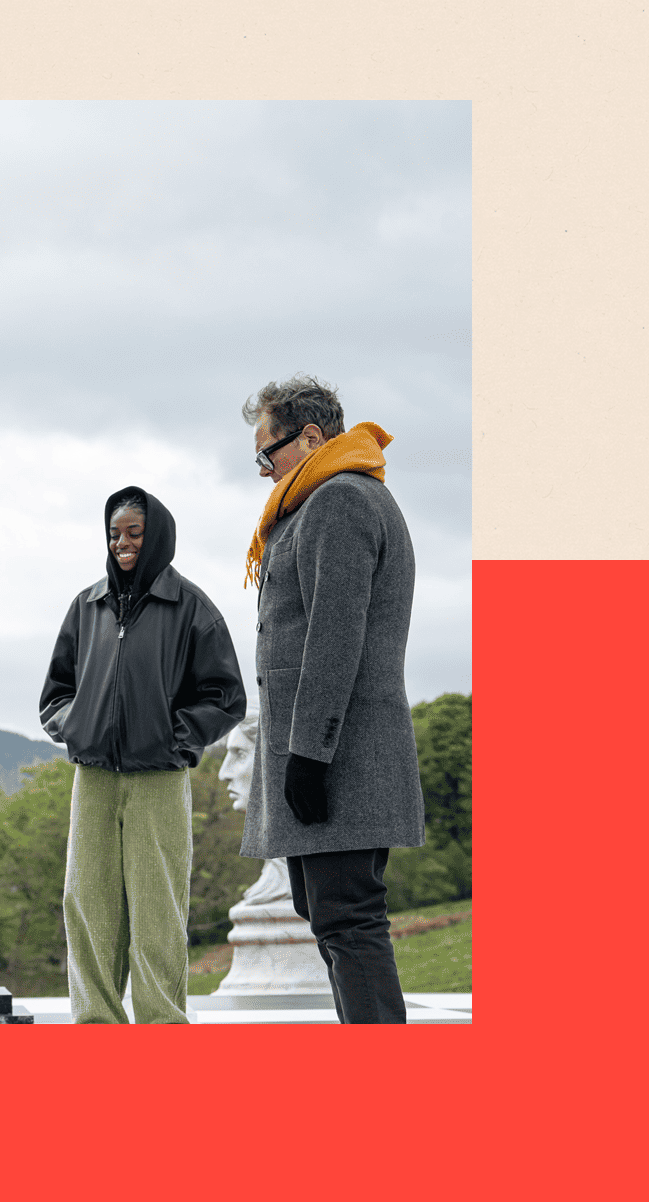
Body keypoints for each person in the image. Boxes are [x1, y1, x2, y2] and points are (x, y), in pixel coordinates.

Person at [239, 374, 423, 1023]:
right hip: (331, 754)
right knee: (336, 923)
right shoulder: (325, 499)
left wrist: (309, 755)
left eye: (269, 452)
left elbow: (334, 637)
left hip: (340, 759)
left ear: (311, 436)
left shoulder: (338, 500)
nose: (263, 469)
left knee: (349, 923)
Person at [39, 487, 246, 1023]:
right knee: (87, 907)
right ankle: (96, 1027)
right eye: (114, 534)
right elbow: (56, 693)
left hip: (158, 778)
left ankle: (162, 1028)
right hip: (94, 777)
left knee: (157, 911)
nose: (123, 544)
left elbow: (226, 698)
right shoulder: (87, 607)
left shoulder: (192, 608)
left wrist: (173, 739)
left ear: (156, 536)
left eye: (134, 533)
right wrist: (77, 726)